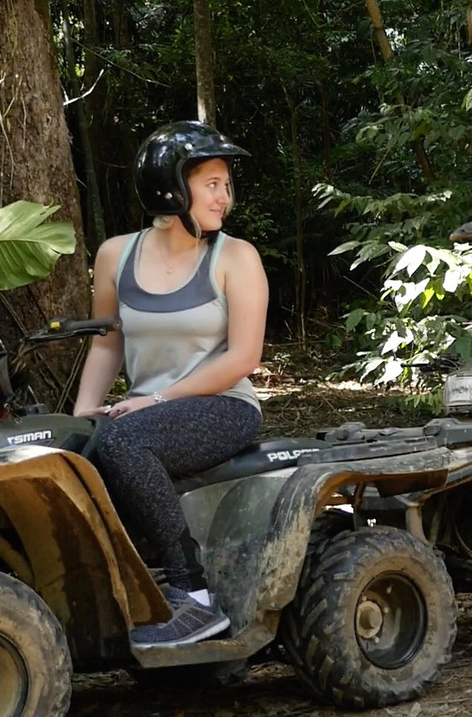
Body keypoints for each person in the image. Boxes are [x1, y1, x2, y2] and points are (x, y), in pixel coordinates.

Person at [73, 120, 269, 645]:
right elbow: (108, 342)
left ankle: (195, 597)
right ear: (171, 187)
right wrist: (83, 413)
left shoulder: (237, 258)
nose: (224, 197)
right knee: (69, 454)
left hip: (224, 406)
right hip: (147, 412)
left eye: (226, 185)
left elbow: (244, 357)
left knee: (123, 441)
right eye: (211, 184)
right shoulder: (116, 255)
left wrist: (156, 398)